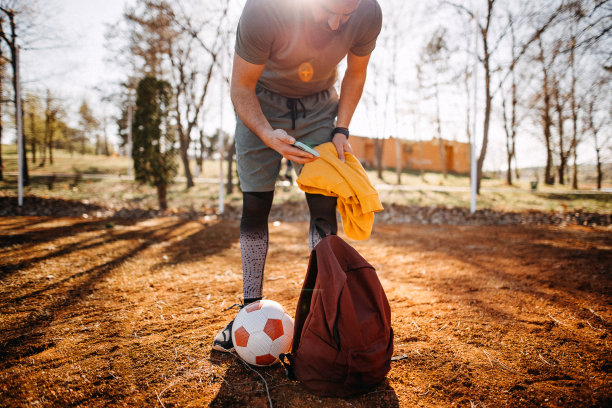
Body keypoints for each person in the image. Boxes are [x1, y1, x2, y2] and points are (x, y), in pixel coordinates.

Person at [212, 0, 382, 353]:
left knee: (324, 209)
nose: (337, 25)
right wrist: (264, 133)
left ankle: (320, 318)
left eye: (345, 15)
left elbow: (356, 72)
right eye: (329, 12)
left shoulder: (368, 13)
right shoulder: (264, 10)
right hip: (261, 103)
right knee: (256, 204)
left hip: (320, 108)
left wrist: (342, 129)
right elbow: (241, 87)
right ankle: (248, 312)